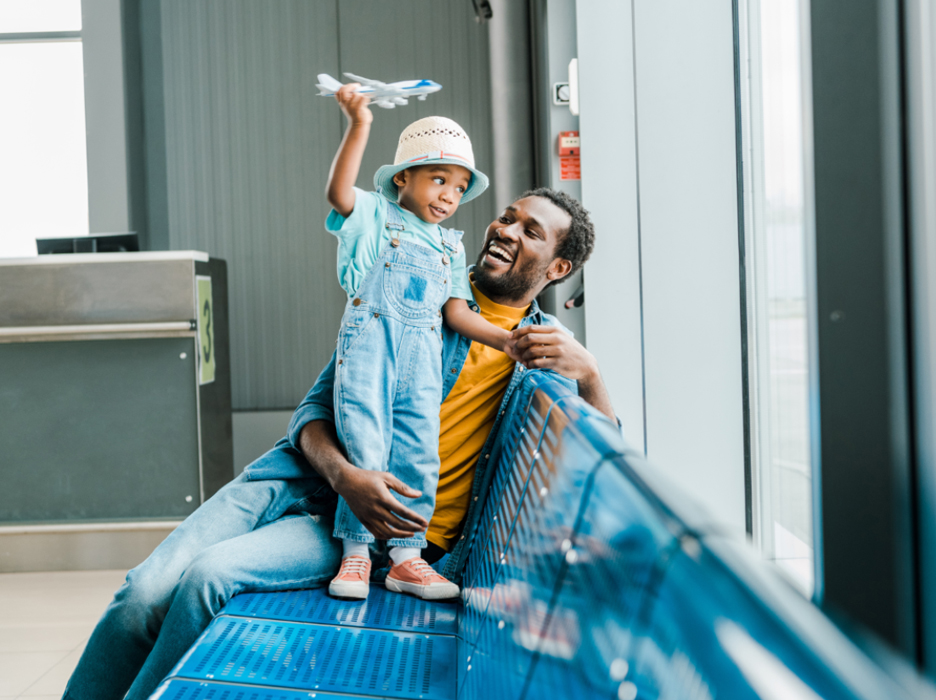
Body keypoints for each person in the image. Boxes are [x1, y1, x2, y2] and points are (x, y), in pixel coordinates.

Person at [61, 187, 615, 700]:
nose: (507, 230)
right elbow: (313, 410)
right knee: (139, 596)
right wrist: (346, 476)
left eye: (531, 231)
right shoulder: (410, 285)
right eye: (507, 216)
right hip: (300, 481)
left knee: (208, 579)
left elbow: (604, 466)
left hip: (377, 535)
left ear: (559, 267)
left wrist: (590, 375)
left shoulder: (542, 358)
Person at [322, 84, 520, 601]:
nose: (448, 197)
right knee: (364, 444)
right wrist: (359, 124)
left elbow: (456, 311)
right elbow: (339, 193)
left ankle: (406, 558)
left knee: (417, 449)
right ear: (403, 178)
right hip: (371, 349)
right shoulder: (373, 218)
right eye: (438, 180)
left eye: (458, 188)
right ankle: (356, 555)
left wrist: (507, 339)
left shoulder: (449, 246)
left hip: (422, 363)